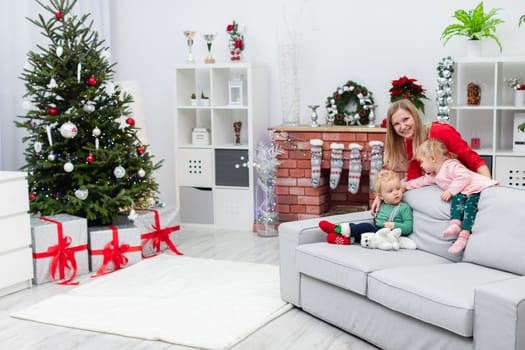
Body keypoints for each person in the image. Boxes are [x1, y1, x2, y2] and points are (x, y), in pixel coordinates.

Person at [371, 99, 491, 215]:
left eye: (406, 119)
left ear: (415, 117)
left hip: (467, 183)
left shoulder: (441, 131)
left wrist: (487, 187)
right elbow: (414, 176)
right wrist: (382, 196)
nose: (402, 127)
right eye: (396, 124)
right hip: (445, 186)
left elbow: (473, 159)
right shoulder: (409, 142)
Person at [404, 138, 498, 254]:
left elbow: (464, 177)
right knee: (457, 200)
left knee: (469, 207)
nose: (421, 165)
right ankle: (455, 224)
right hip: (464, 192)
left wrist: (450, 191)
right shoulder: (434, 176)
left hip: (478, 187)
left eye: (422, 161)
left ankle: (463, 237)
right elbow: (421, 181)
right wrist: (404, 186)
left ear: (432, 159)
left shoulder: (451, 165)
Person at [319, 169, 413, 245]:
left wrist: (394, 225)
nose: (396, 192)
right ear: (380, 196)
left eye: (398, 188)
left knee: (366, 227)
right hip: (377, 233)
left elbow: (408, 227)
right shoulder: (382, 204)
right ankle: (344, 239)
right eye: (390, 191)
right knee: (361, 230)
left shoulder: (403, 208)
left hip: (388, 235)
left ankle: (337, 229)